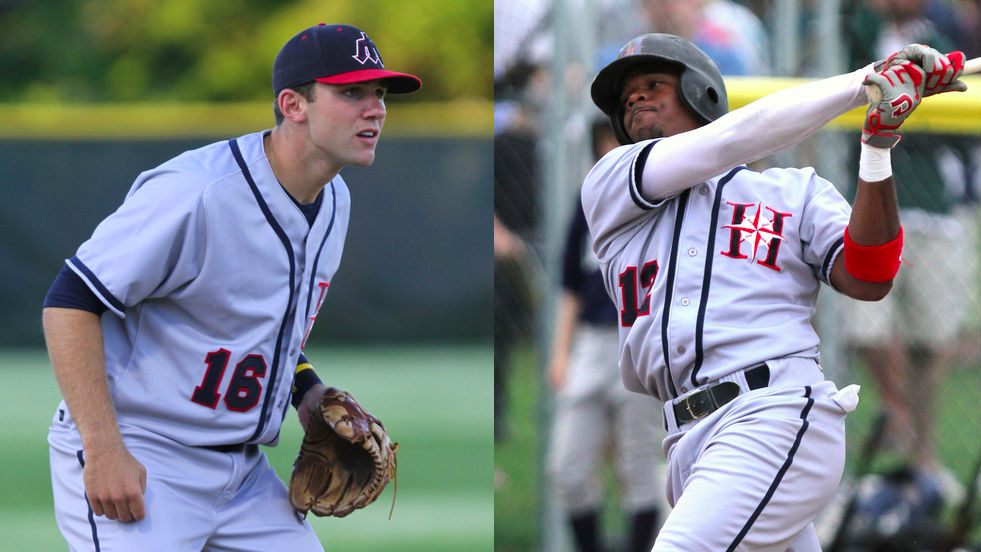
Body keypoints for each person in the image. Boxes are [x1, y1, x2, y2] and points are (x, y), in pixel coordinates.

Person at [42, 23, 420, 551]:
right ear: (293, 105)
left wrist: (306, 392)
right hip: (144, 451)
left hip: (242, 472)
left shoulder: (335, 201)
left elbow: (266, 322)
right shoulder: (197, 192)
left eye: (379, 94)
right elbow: (68, 303)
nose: (375, 109)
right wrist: (103, 447)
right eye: (351, 92)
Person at [581, 32, 965, 550]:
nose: (638, 100)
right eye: (628, 100)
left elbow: (869, 276)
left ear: (702, 94)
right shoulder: (611, 186)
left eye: (654, 84)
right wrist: (867, 80)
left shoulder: (790, 192)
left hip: (772, 412)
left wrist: (877, 147)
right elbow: (735, 138)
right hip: (684, 439)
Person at [843, 0, 978, 491]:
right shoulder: (854, 25)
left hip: (934, 208)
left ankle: (924, 456)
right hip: (867, 200)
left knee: (932, 339)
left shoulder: (940, 28)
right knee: (865, 327)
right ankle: (895, 413)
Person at [546, 119, 665, 552]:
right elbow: (569, 284)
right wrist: (561, 352)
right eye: (605, 141)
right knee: (568, 469)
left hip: (642, 338)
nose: (611, 149)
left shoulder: (661, 200)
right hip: (592, 344)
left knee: (639, 467)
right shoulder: (590, 201)